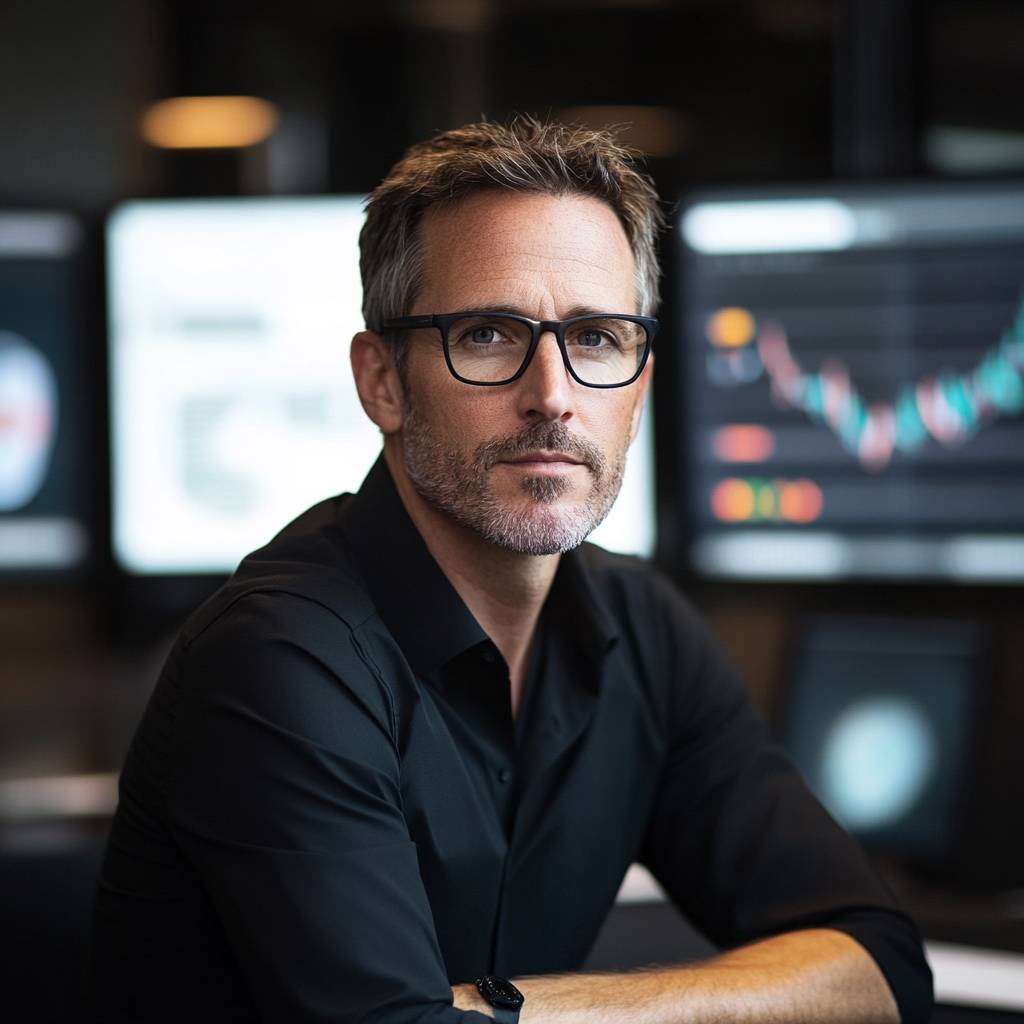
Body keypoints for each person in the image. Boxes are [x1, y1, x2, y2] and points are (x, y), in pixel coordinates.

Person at [91, 116, 932, 1024]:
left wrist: (505, 1009)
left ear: (642, 378)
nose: (554, 397)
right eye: (490, 335)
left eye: (600, 337)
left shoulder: (642, 629)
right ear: (383, 382)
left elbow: (880, 964)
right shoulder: (279, 658)